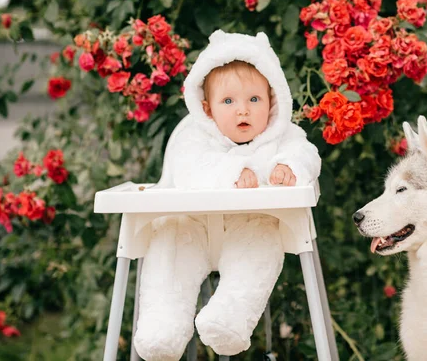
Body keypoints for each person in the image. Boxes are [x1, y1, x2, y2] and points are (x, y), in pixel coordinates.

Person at [133, 30, 322, 360]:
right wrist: (231, 174)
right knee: (168, 249)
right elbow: (187, 170)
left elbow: (307, 155)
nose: (243, 111)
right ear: (207, 110)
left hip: (248, 227)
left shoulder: (283, 137)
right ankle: (161, 326)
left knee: (263, 247)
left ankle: (229, 319)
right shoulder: (192, 136)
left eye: (254, 100)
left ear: (272, 100)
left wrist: (290, 167)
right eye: (228, 101)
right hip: (191, 227)